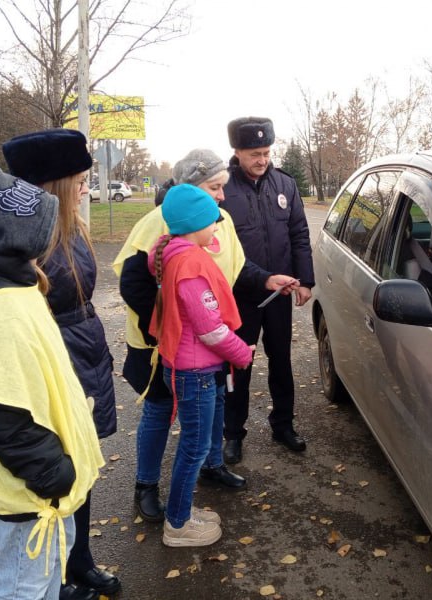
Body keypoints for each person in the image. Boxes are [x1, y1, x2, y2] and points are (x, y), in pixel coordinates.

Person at [0, 164, 104, 600]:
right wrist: (56, 475)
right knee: (23, 588)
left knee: (45, 576)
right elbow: (2, 418)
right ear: (19, 235)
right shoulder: (2, 309)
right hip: (30, 492)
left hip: (34, 491)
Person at [113, 149, 295, 523]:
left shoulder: (219, 220)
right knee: (161, 409)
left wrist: (265, 278)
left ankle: (213, 466)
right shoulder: (160, 223)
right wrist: (170, 328)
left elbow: (236, 267)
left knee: (213, 402)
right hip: (164, 345)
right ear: (190, 187)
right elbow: (134, 283)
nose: (222, 196)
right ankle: (146, 485)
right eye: (215, 187)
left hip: (208, 342)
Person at [3, 129, 120, 600]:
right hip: (58, 359)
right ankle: (59, 576)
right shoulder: (25, 245)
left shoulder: (70, 229)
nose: (85, 189)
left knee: (82, 467)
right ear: (53, 184)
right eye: (79, 180)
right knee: (58, 472)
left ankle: (79, 561)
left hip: (81, 350)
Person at [148, 183, 253, 546]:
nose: (216, 228)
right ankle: (177, 524)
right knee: (193, 447)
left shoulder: (172, 252)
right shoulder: (191, 263)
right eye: (213, 222)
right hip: (195, 372)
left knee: (194, 444)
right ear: (195, 224)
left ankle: (183, 511)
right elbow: (209, 328)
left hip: (185, 364)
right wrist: (242, 352)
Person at [220, 117, 315, 464]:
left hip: (280, 295)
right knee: (237, 365)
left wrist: (304, 280)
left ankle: (283, 425)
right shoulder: (222, 189)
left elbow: (299, 234)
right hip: (239, 297)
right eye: (254, 153)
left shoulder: (284, 185)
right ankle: (232, 433)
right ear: (237, 152)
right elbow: (218, 249)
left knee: (281, 361)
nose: (262, 160)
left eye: (266, 152)